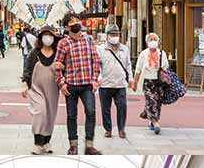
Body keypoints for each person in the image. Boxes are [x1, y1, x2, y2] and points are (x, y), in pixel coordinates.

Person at [53, 15, 101, 154]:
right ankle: (73, 146)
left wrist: (94, 79)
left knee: (91, 112)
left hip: (87, 84)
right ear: (66, 27)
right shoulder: (63, 43)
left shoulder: (89, 39)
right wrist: (62, 83)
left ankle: (89, 145)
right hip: (71, 85)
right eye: (71, 22)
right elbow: (57, 65)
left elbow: (95, 60)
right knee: (71, 115)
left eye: (76, 21)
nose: (75, 23)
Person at [21, 25, 60, 155]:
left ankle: (46, 141)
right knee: (40, 112)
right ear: (40, 37)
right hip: (36, 89)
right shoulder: (34, 53)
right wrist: (25, 84)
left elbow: (64, 69)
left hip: (53, 90)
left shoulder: (57, 54)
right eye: (45, 35)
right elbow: (27, 69)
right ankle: (37, 143)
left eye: (50, 35)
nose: (48, 38)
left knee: (50, 115)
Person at [131, 32, 170, 135]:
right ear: (147, 42)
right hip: (147, 81)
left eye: (154, 39)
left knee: (157, 102)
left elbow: (166, 68)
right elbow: (138, 70)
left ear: (158, 41)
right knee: (150, 100)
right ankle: (155, 122)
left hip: (159, 82)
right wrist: (134, 83)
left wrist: (166, 76)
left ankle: (147, 112)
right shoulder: (143, 54)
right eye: (150, 39)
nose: (153, 41)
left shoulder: (162, 54)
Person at [97, 23, 131, 140]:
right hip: (105, 84)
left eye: (116, 34)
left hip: (120, 84)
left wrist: (130, 78)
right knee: (105, 109)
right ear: (107, 36)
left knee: (122, 107)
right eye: (112, 34)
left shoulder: (125, 49)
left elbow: (128, 65)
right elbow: (97, 66)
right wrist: (99, 76)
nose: (114, 36)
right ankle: (108, 129)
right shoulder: (101, 49)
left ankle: (121, 129)